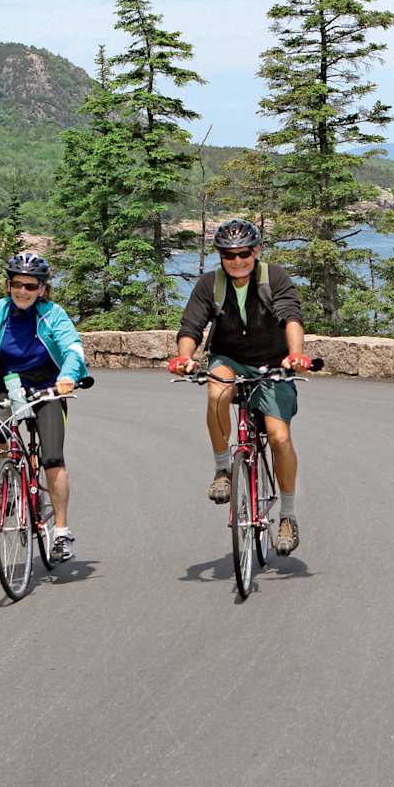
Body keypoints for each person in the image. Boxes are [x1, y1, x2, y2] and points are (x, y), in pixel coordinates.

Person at [168, 219, 312, 555]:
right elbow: (191, 325)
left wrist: (295, 355)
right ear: (220, 256)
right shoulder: (210, 284)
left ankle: (288, 516)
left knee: (278, 437)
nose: (237, 261)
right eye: (229, 255)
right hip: (228, 358)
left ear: (256, 250)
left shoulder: (274, 278)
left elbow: (291, 317)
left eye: (244, 253)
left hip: (272, 362)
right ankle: (223, 469)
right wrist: (185, 358)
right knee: (216, 390)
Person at [0, 252, 90, 562]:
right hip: (6, 385)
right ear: (8, 285)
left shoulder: (53, 315)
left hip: (48, 387)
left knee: (52, 458)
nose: (23, 291)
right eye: (17, 284)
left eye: (30, 286)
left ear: (42, 289)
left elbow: (72, 348)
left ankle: (61, 532)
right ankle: (11, 481)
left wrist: (67, 377)